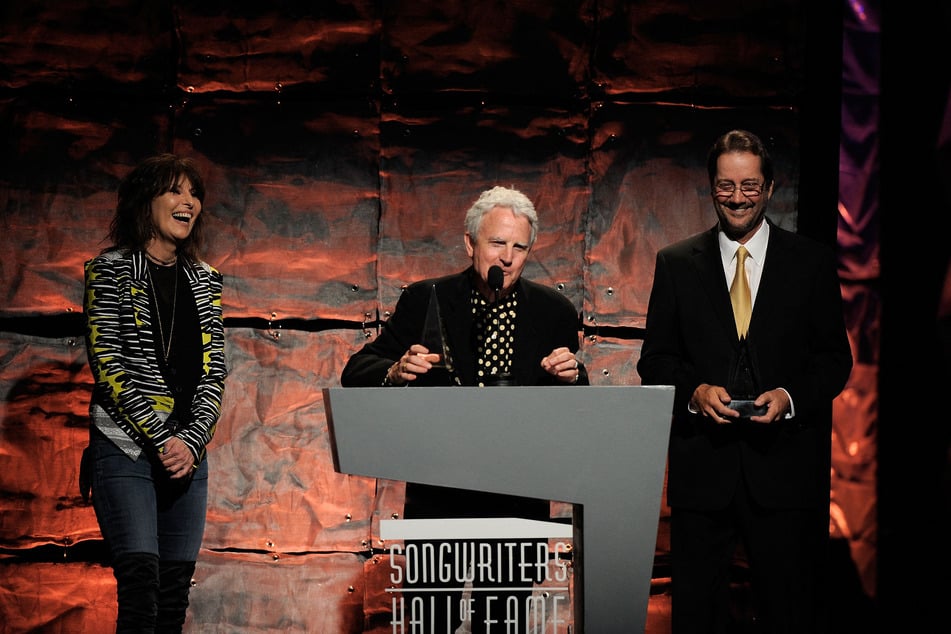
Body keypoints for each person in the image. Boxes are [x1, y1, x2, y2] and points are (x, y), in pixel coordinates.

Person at [341, 185, 588, 633]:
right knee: (431, 622)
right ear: (470, 244)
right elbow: (357, 370)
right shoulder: (427, 298)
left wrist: (573, 375)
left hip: (517, 501)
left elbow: (576, 408)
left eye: (519, 247)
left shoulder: (554, 311)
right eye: (497, 243)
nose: (507, 258)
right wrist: (396, 371)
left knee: (503, 623)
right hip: (440, 499)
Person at [636, 129, 853, 634]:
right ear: (711, 187)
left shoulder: (812, 262)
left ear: (770, 187)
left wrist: (789, 397)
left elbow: (834, 360)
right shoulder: (675, 263)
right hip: (702, 476)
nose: (737, 197)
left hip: (784, 474)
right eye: (726, 186)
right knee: (696, 617)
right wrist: (694, 393)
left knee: (789, 613)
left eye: (749, 186)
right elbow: (656, 360)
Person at [82, 154, 227, 633]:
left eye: (194, 193)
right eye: (175, 190)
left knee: (172, 597)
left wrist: (191, 441)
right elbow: (109, 366)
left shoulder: (205, 279)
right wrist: (163, 439)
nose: (189, 202)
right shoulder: (110, 271)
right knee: (141, 590)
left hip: (188, 456)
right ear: (146, 201)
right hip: (127, 449)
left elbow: (214, 372)